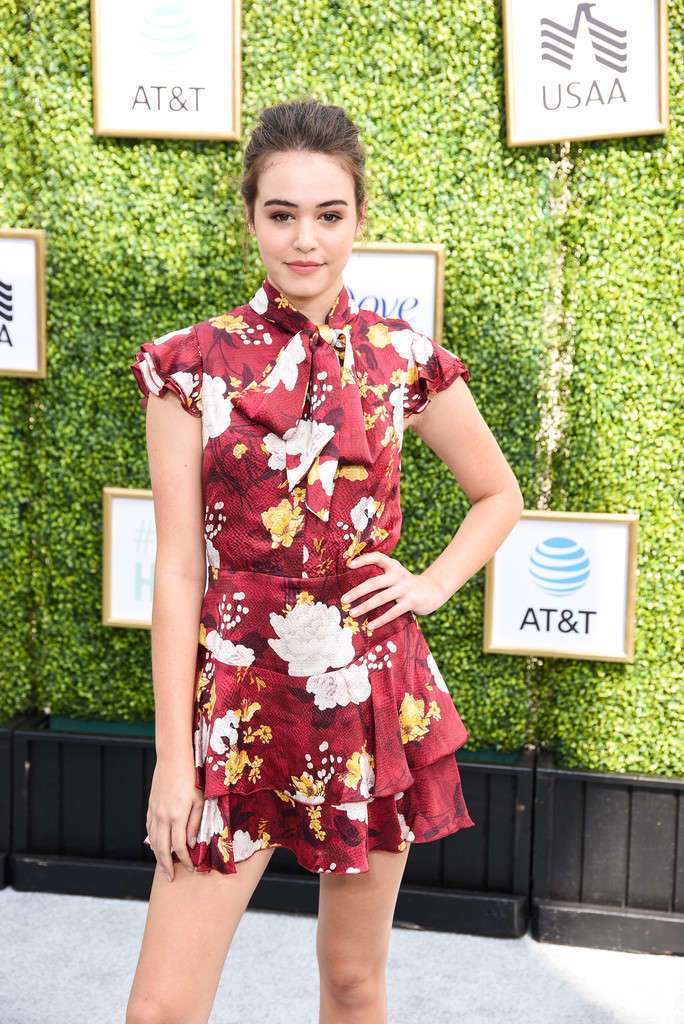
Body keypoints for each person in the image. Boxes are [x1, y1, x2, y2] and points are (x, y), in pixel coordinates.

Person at [125, 97, 524, 1024]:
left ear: (358, 219)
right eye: (282, 214)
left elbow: (497, 493)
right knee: (161, 1009)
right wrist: (173, 763)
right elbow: (179, 571)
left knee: (352, 979)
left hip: (368, 692)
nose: (305, 240)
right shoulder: (190, 366)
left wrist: (430, 583)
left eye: (328, 215)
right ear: (250, 217)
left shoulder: (401, 358)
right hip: (234, 703)